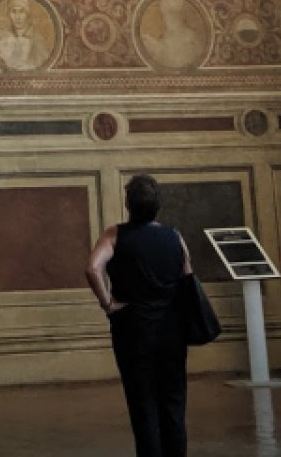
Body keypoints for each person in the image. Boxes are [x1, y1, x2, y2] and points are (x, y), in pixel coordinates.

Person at [86, 174, 193, 457]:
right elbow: (187, 276)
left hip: (133, 329)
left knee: (142, 402)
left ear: (128, 204)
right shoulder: (175, 236)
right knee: (173, 401)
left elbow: (93, 268)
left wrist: (108, 304)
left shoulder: (115, 235)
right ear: (158, 205)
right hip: (171, 329)